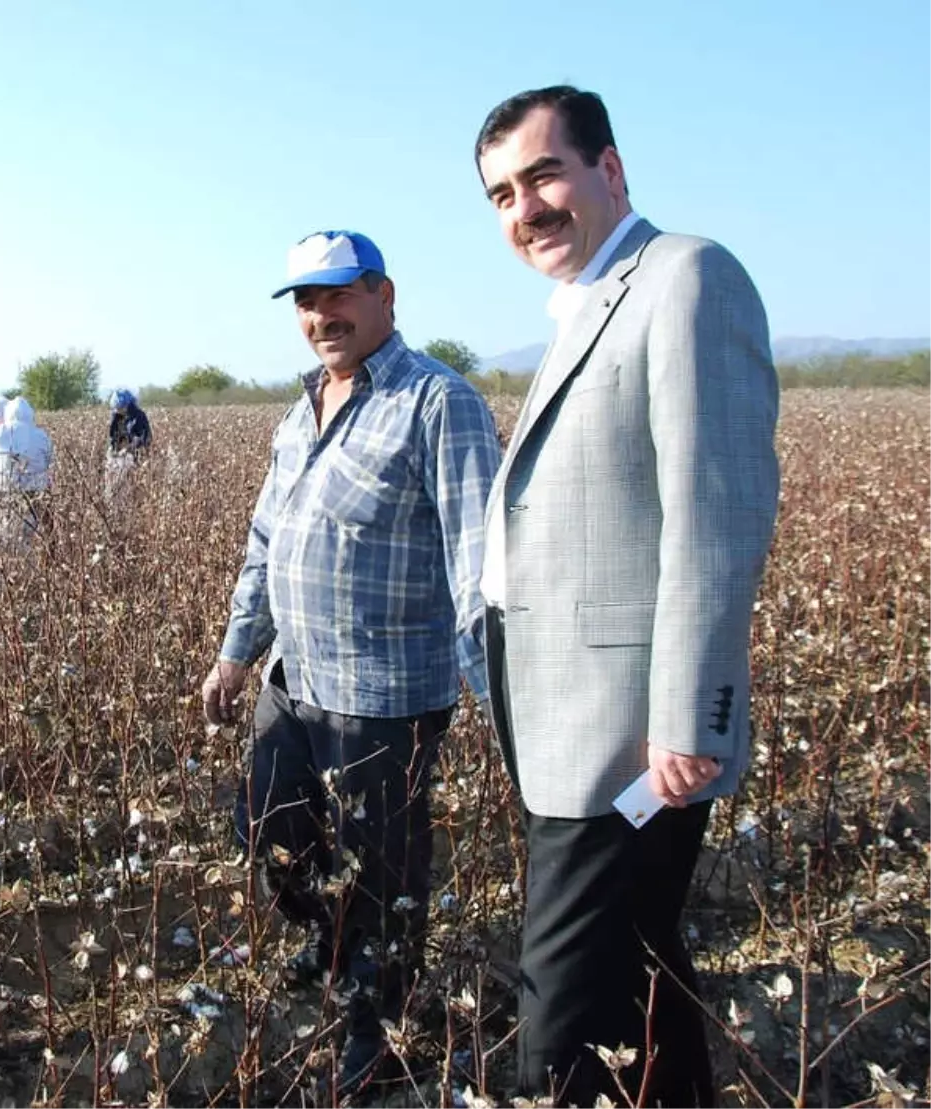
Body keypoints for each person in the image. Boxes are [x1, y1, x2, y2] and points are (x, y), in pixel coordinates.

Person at [474, 85, 780, 1106]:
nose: (526, 208)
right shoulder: (587, 306)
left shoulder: (686, 277)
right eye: (503, 194)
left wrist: (688, 716)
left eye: (544, 173)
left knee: (559, 1017)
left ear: (611, 168)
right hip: (570, 722)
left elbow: (715, 509)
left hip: (630, 735)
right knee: (639, 970)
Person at [202, 230, 500, 1094]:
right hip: (293, 681)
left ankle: (383, 1022)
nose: (320, 315)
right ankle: (333, 944)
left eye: (338, 295)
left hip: (386, 697)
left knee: (385, 871)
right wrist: (235, 654)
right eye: (305, 301)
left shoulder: (439, 403)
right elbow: (266, 544)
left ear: (385, 295)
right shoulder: (301, 412)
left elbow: (478, 565)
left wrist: (499, 698)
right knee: (263, 830)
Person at [0, 396, 55, 552]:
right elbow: (49, 461)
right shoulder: (41, 435)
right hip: (36, 496)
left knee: (1, 538)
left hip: (4, 495)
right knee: (33, 539)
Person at [104, 388, 152, 503]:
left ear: (127, 405)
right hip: (117, 459)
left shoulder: (139, 416)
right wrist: (113, 449)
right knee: (113, 486)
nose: (118, 410)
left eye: (120, 407)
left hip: (134, 458)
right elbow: (113, 436)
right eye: (116, 407)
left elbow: (145, 438)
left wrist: (129, 448)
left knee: (130, 490)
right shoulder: (116, 416)